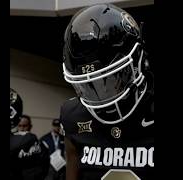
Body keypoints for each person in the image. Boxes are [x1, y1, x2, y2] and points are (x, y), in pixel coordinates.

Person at [60, 3, 154, 180]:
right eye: (87, 86)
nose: (101, 96)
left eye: (110, 80)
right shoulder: (73, 116)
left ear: (138, 60)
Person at [10, 88, 50, 180]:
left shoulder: (28, 141)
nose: (22, 128)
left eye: (25, 126)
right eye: (20, 126)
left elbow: (40, 170)